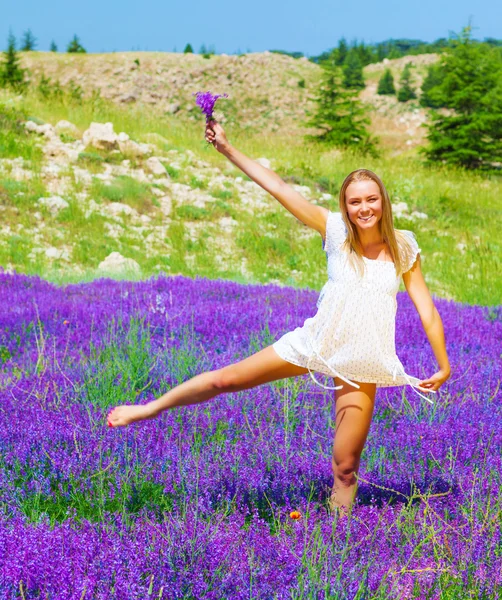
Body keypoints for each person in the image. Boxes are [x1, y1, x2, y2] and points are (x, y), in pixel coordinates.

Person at [107, 120, 451, 512]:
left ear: (383, 201)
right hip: (316, 341)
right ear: (345, 206)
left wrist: (443, 365)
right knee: (226, 379)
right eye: (354, 202)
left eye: (371, 199)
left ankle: (335, 553)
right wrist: (227, 149)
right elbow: (279, 187)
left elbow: (427, 309)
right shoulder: (335, 230)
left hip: (361, 358)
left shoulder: (404, 246)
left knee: (345, 466)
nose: (363, 208)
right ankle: (148, 409)